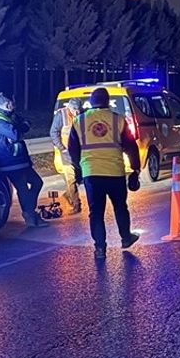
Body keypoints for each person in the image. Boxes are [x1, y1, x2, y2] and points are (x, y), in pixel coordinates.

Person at [67, 87, 141, 258]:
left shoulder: (79, 121)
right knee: (120, 207)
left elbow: (73, 149)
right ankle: (126, 238)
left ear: (91, 102)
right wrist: (135, 169)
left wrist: (79, 169)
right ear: (107, 102)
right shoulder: (118, 120)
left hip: (91, 173)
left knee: (96, 212)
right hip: (115, 172)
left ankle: (100, 248)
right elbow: (131, 146)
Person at [0, 92, 48, 229]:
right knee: (23, 188)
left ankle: (30, 212)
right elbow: (15, 134)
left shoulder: (8, 115)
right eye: (13, 103)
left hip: (19, 160)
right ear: (8, 104)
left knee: (37, 182)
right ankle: (30, 216)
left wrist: (21, 126)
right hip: (9, 161)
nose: (15, 106)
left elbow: (26, 123)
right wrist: (21, 127)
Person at [49, 97, 84, 214]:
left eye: (79, 109)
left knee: (79, 178)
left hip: (79, 153)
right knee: (71, 179)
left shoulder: (82, 115)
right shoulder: (61, 115)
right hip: (67, 154)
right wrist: (61, 147)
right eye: (75, 109)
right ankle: (76, 205)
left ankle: (68, 195)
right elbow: (53, 132)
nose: (77, 112)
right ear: (69, 107)